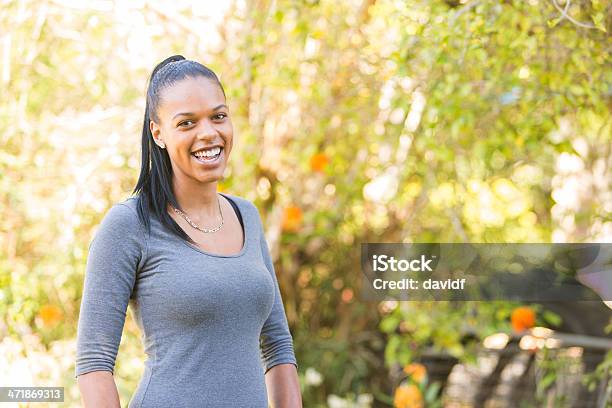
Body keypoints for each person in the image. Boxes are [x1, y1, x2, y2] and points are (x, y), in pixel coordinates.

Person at [75, 55, 302, 408]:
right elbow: (94, 362)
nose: (209, 133)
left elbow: (277, 345)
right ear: (158, 133)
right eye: (187, 123)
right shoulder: (129, 225)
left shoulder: (247, 216)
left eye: (219, 116)